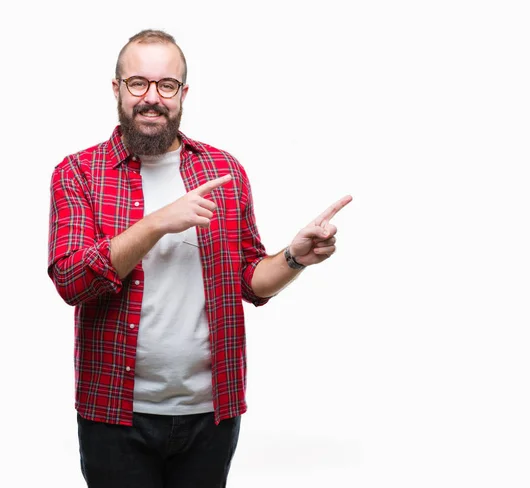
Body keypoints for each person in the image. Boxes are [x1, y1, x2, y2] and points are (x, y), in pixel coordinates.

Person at [47, 29, 352, 488]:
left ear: (183, 93)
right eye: (138, 84)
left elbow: (250, 281)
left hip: (211, 415)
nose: (152, 98)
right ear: (117, 89)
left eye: (166, 85)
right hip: (114, 414)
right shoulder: (78, 173)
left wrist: (295, 257)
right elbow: (71, 280)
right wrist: (155, 223)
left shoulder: (222, 170)